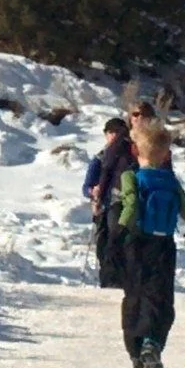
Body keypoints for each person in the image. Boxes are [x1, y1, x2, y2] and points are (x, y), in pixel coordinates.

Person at [117, 123, 185, 368]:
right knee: (160, 294)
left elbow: (132, 203)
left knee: (136, 292)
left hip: (137, 242)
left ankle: (135, 349)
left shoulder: (131, 177)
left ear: (135, 150)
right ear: (166, 154)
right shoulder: (171, 181)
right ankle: (152, 342)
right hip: (165, 244)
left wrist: (121, 229)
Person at [83, 118, 135, 287]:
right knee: (103, 245)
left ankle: (117, 279)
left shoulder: (130, 156)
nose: (114, 136)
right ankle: (108, 279)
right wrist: (93, 191)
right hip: (103, 206)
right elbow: (86, 186)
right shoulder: (100, 158)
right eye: (111, 132)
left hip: (121, 205)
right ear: (106, 134)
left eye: (118, 132)